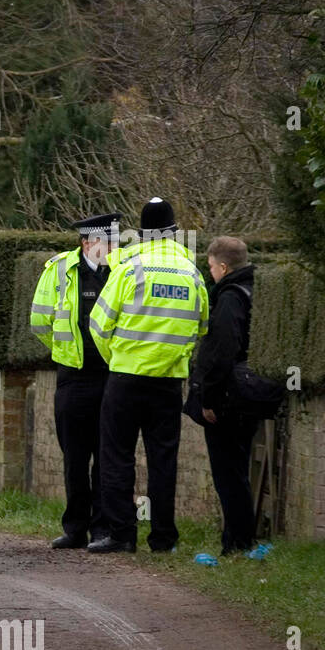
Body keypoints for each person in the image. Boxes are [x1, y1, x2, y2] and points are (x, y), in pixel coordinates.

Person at [87, 198, 209, 554]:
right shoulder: (191, 271)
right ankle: (163, 539)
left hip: (125, 378)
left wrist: (117, 359)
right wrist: (175, 356)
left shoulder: (130, 267)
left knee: (117, 456)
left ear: (141, 233)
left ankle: (122, 535)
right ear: (173, 232)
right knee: (163, 460)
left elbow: (98, 324)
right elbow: (202, 326)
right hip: (169, 382)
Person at [29, 212, 122, 548]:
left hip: (111, 376)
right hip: (72, 376)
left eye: (115, 241)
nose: (113, 248)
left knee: (106, 454)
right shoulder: (59, 269)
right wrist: (67, 352)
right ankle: (74, 527)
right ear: (87, 243)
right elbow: (39, 322)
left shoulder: (124, 269)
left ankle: (102, 528)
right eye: (106, 242)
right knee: (74, 454)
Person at [191, 236, 260, 555]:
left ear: (223, 266)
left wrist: (209, 399)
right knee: (238, 469)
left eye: (210, 266)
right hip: (248, 393)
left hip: (229, 398)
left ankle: (238, 543)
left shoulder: (230, 297)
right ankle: (237, 539)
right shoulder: (253, 290)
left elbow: (222, 352)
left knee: (228, 473)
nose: (210, 272)